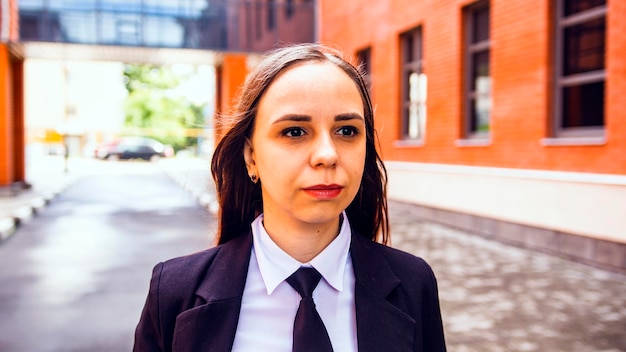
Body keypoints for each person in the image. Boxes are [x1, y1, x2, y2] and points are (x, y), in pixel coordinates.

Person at [133, 43, 446, 352]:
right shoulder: (175, 291)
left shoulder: (413, 283)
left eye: (347, 131)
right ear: (251, 156)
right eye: (295, 131)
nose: (327, 155)